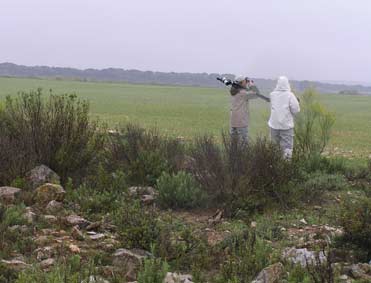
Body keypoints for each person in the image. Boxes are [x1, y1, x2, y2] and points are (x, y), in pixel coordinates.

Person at [268, 76, 300, 159]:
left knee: (274, 148)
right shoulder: (290, 95)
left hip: (273, 126)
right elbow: (296, 110)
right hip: (286, 126)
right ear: (287, 84)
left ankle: (274, 165)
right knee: (287, 149)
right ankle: (286, 168)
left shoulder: (272, 94)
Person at [230, 75, 269, 142]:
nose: (246, 82)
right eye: (245, 81)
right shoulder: (243, 93)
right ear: (242, 82)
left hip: (233, 121)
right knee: (243, 143)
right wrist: (251, 85)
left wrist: (247, 85)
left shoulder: (234, 91)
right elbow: (256, 94)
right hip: (241, 122)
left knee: (234, 143)